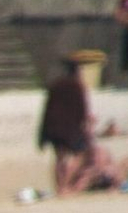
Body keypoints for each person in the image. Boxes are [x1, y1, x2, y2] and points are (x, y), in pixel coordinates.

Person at [38, 56, 95, 196]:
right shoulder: (78, 86)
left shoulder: (55, 84)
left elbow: (47, 109)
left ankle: (59, 187)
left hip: (53, 128)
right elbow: (82, 110)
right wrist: (86, 127)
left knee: (59, 159)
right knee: (79, 156)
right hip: (69, 129)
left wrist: (42, 134)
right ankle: (65, 185)